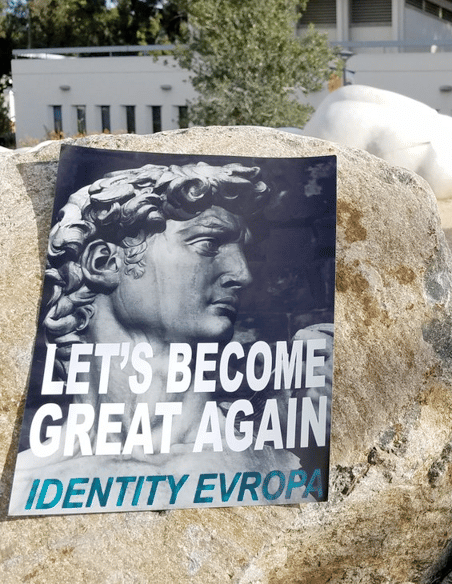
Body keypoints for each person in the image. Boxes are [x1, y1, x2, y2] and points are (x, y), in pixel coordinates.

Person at [12, 161, 317, 511]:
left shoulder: (280, 466)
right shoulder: (27, 484)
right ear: (105, 263)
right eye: (209, 243)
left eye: (243, 251)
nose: (242, 275)